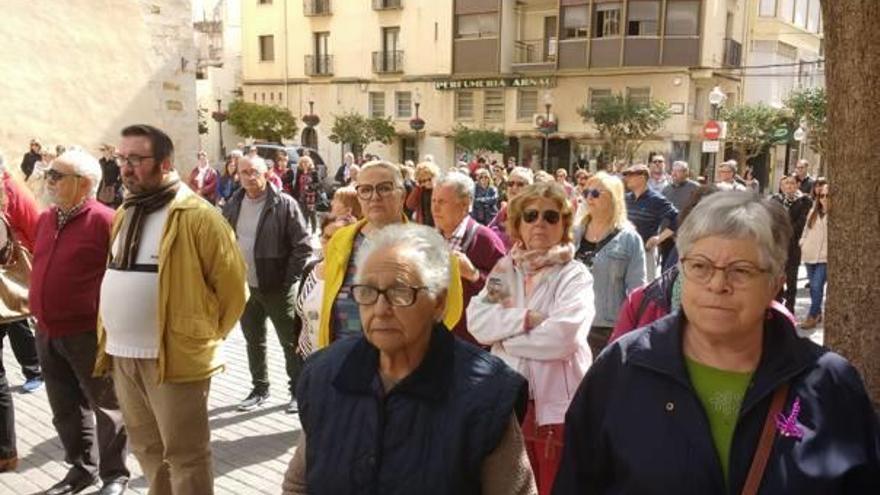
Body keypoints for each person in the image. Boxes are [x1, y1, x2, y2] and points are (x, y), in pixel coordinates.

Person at [554, 192, 880, 494]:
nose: (718, 284)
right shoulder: (621, 369)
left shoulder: (830, 384)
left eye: (741, 270)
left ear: (776, 283)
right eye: (700, 266)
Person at [283, 224, 536, 495]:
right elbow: (298, 485)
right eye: (367, 291)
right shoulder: (326, 374)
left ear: (438, 303)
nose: (380, 309)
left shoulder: (485, 395)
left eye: (400, 292)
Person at [95, 124, 247, 495]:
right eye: (121, 158)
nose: (125, 167)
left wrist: (196, 337)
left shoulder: (199, 216)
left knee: (186, 455)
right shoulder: (125, 211)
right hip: (122, 354)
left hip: (174, 358)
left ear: (164, 163)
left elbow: (233, 292)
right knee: (147, 449)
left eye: (135, 159)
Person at [468, 182, 594, 495]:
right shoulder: (506, 271)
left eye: (551, 217)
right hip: (508, 402)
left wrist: (506, 339)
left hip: (556, 409)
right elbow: (478, 321)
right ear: (518, 223)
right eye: (531, 215)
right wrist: (524, 319)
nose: (540, 222)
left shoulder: (574, 275)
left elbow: (565, 336)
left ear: (564, 224)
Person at [29, 150, 129, 495]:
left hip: (87, 332)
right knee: (65, 409)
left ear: (84, 184)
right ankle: (81, 469)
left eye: (58, 176)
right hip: (46, 330)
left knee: (107, 406)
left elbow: (122, 277)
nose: (49, 181)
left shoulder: (106, 220)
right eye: (50, 174)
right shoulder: (46, 219)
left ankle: (115, 474)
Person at [318, 160, 464, 349]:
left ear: (402, 194)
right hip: (341, 357)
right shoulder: (340, 239)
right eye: (365, 190)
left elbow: (449, 312)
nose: (374, 197)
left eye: (385, 188)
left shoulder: (430, 247)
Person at [222, 155, 312, 414]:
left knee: (290, 341)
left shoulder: (284, 204)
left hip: (278, 288)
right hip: (245, 287)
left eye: (255, 172)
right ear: (237, 174)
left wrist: (288, 279)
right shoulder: (233, 203)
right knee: (254, 340)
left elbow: (303, 245)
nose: (250, 176)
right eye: (244, 172)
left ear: (266, 173)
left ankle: (298, 390)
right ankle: (259, 388)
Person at [573, 173, 645, 358]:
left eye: (596, 193)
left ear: (613, 198)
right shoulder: (573, 233)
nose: (588, 197)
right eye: (586, 192)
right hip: (572, 323)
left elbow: (637, 291)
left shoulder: (630, 239)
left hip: (606, 329)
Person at [432, 172, 507, 345]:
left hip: (470, 345)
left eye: (442, 202)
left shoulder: (484, 239)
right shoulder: (430, 237)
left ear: (465, 205)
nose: (435, 209)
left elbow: (505, 289)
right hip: (436, 339)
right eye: (433, 201)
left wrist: (474, 275)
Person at [0, 155, 43, 394]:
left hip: (12, 270)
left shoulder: (13, 190)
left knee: (17, 319)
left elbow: (35, 229)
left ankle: (34, 369)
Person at [290, 214, 356, 358]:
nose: (331, 243)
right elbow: (299, 314)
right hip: (307, 357)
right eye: (326, 237)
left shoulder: (354, 279)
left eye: (338, 238)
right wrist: (297, 344)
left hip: (337, 363)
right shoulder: (311, 269)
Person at [622, 163, 677, 281]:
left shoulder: (656, 199)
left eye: (630, 175)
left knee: (645, 291)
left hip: (645, 253)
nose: (627, 179)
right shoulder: (626, 198)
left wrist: (659, 238)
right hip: (624, 251)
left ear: (642, 177)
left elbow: (677, 218)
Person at [772, 175, 813, 314]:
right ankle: (778, 308)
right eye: (786, 183)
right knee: (777, 279)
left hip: (793, 245)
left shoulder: (804, 201)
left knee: (791, 279)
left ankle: (790, 309)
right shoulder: (775, 200)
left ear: (797, 185)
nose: (789, 186)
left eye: (792, 183)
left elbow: (802, 222)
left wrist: (786, 231)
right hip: (777, 246)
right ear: (782, 186)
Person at [798, 178, 828, 330]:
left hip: (824, 257)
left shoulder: (836, 216)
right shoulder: (813, 210)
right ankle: (818, 312)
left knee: (816, 285)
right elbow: (806, 229)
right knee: (814, 288)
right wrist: (802, 243)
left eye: (827, 196)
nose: (823, 199)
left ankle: (812, 316)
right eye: (821, 196)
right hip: (810, 253)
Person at [488, 166, 534, 249]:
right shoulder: (504, 211)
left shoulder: (534, 214)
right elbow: (488, 232)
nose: (514, 187)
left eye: (520, 184)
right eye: (510, 184)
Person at [404, 161, 439, 226]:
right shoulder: (420, 189)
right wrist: (417, 187)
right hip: (423, 224)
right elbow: (410, 205)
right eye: (421, 181)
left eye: (428, 179)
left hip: (437, 225)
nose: (424, 183)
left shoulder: (439, 189)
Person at [291, 155, 320, 234]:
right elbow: (297, 184)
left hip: (311, 196)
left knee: (312, 213)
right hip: (302, 195)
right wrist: (294, 194)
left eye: (306, 162)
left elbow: (318, 184)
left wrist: (310, 186)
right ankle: (305, 229)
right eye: (303, 162)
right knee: (303, 213)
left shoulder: (313, 172)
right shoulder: (299, 172)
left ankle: (314, 230)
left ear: (309, 163)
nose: (305, 164)